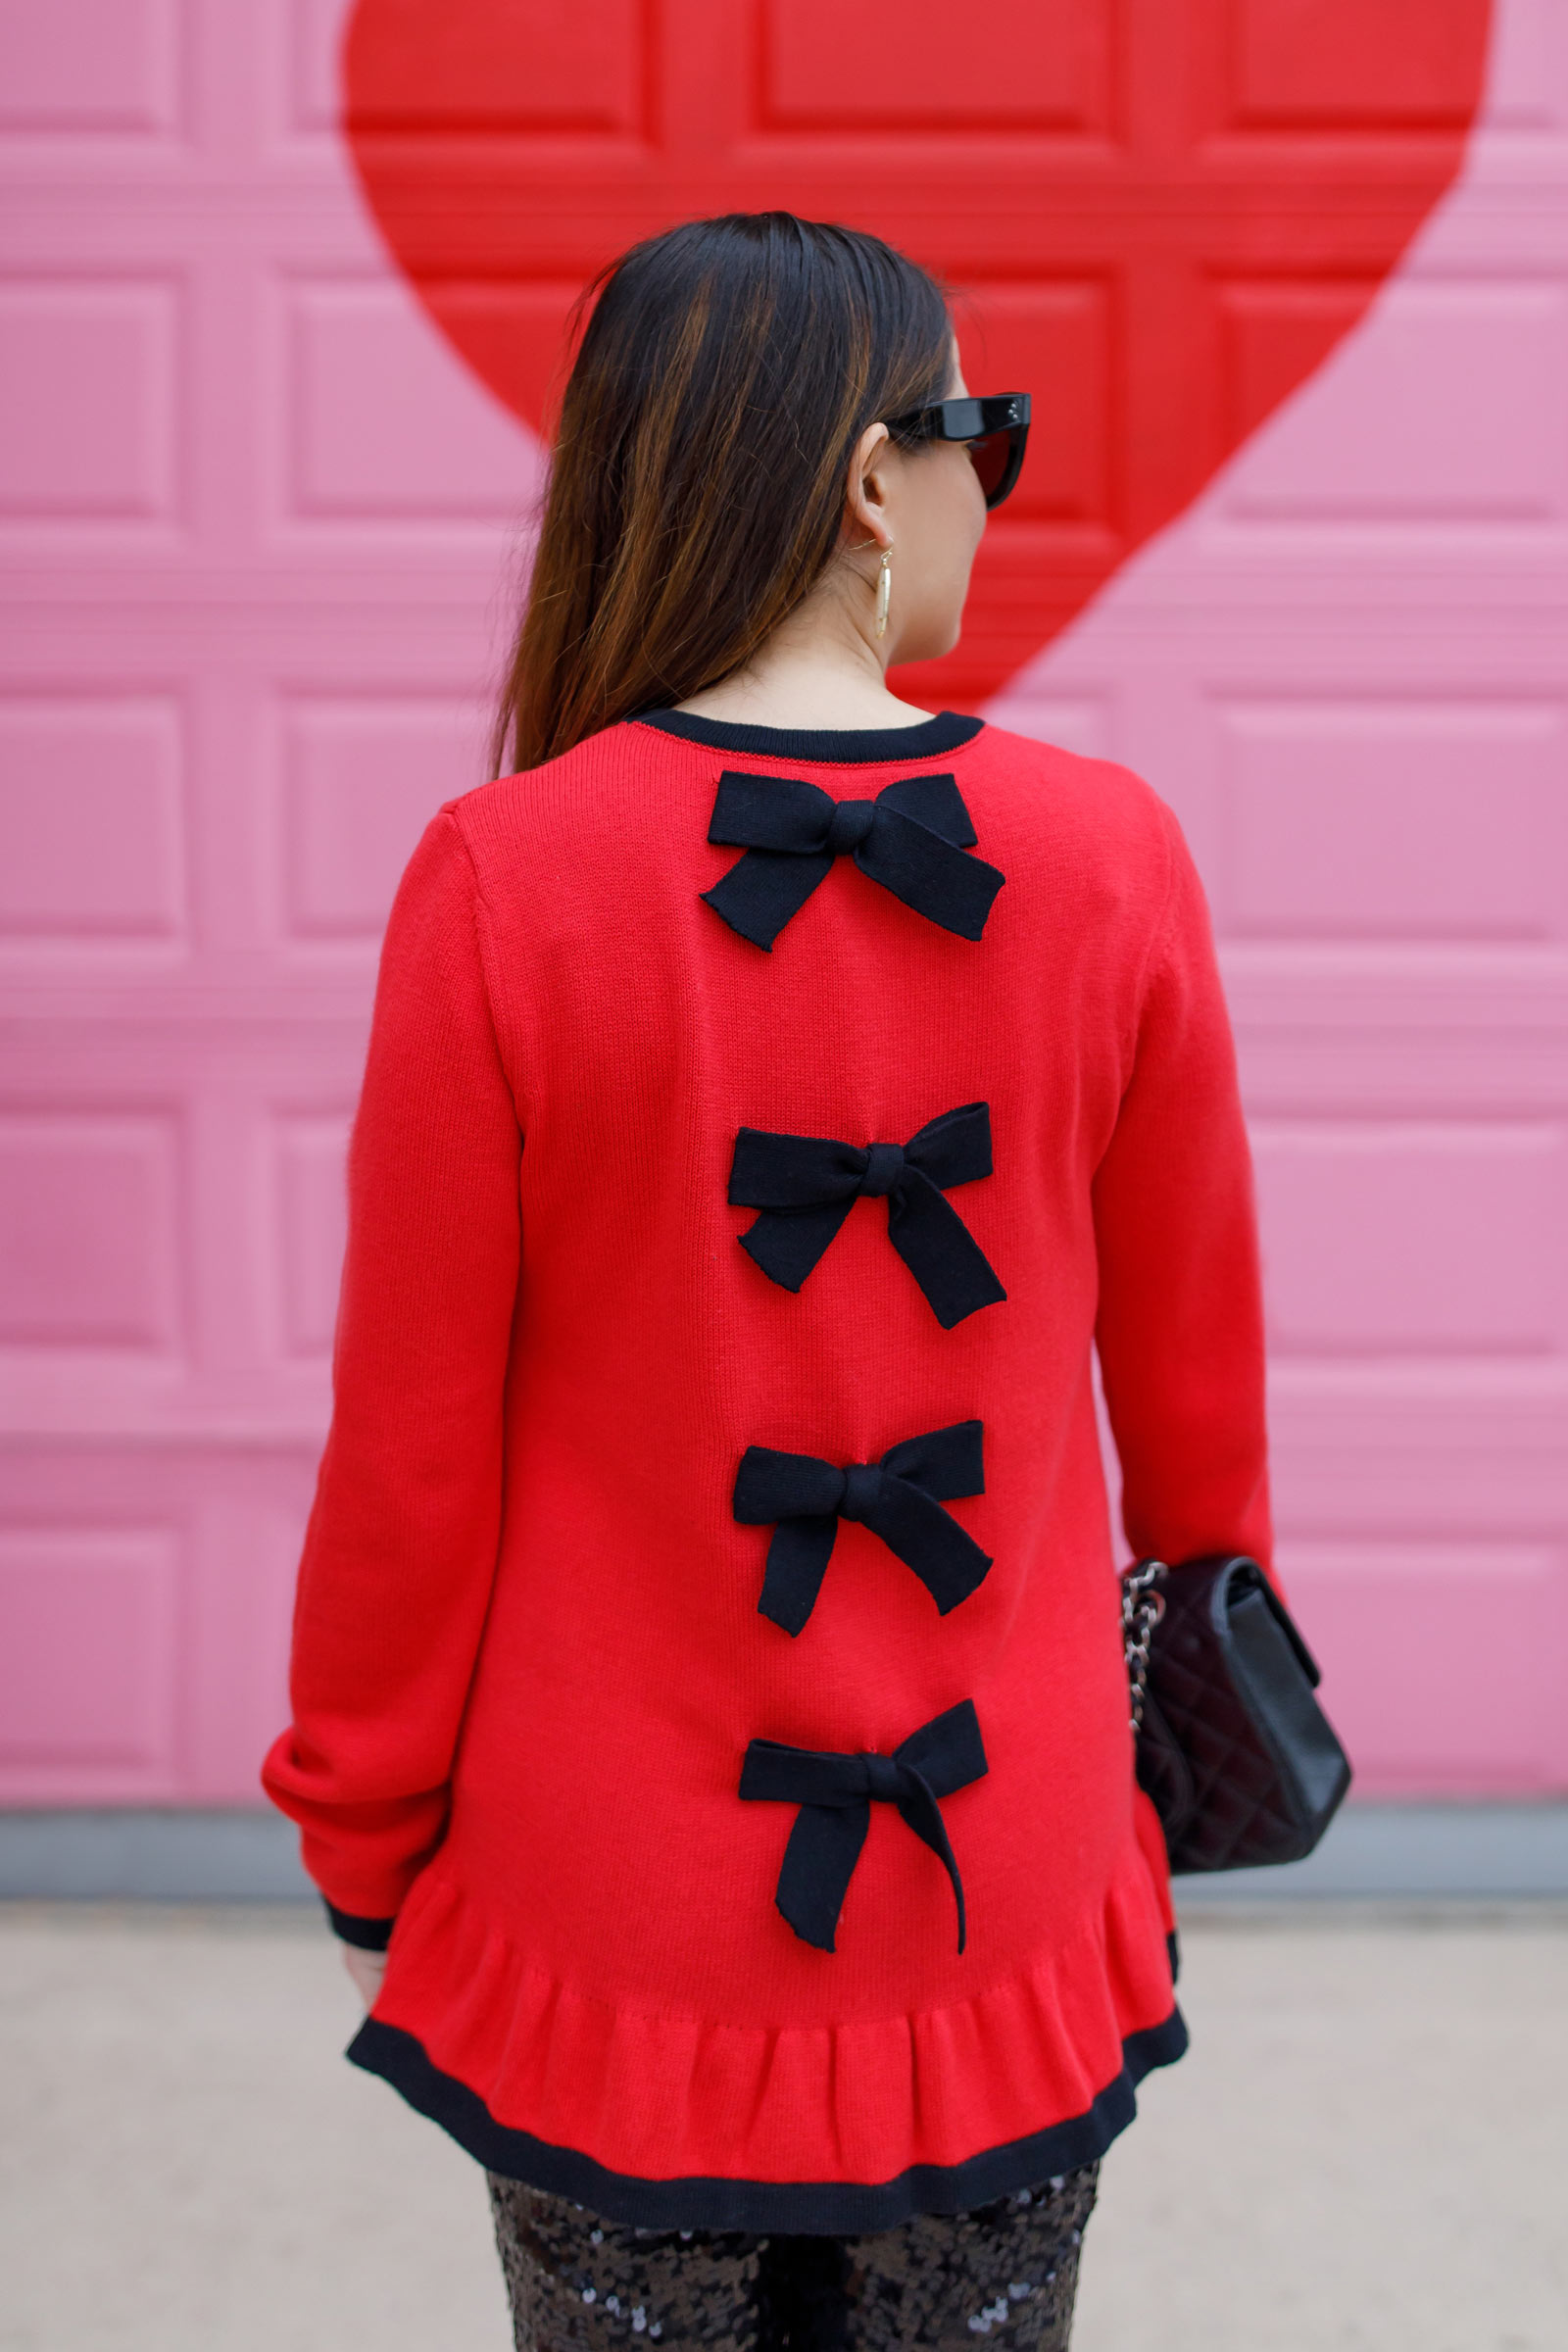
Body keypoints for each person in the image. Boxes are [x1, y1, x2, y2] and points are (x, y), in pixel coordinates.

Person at [264, 210, 1271, 2350]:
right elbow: (1195, 1395)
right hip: (998, 1871)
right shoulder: (1110, 854)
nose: (986, 483)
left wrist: (362, 1841)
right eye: (975, 429)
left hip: (596, 1903)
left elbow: (407, 1448)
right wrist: (1195, 1728)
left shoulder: (502, 880)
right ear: (861, 476)